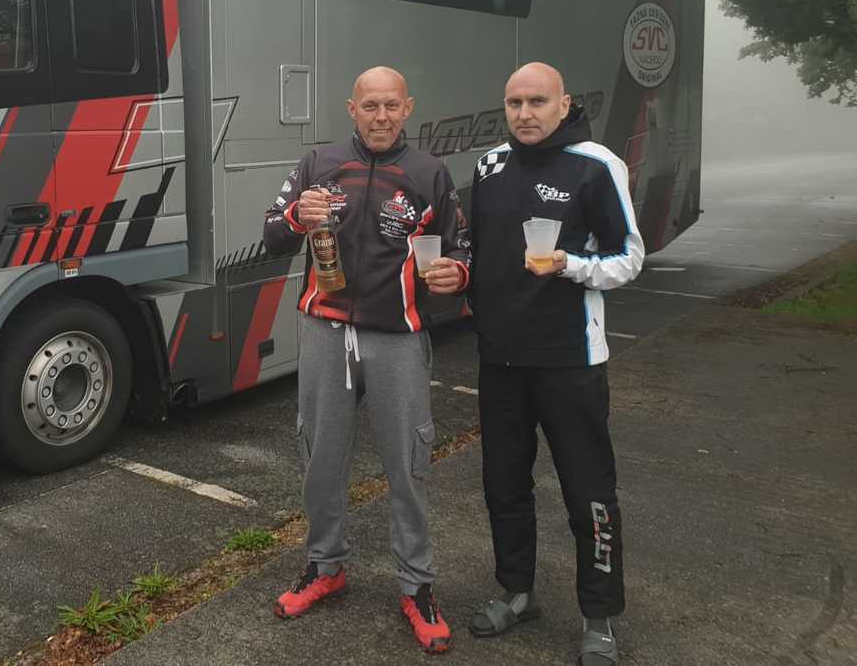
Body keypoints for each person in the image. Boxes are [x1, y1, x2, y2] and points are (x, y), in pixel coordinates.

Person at [262, 66, 470, 654]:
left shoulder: (429, 173)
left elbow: (460, 246)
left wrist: (458, 274)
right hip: (324, 330)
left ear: (408, 108)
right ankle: (325, 565)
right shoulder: (318, 164)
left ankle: (418, 585)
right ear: (352, 109)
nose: (381, 116)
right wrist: (296, 217)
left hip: (396, 335)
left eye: (391, 106)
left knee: (408, 462)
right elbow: (272, 234)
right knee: (321, 455)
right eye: (370, 106)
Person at [465, 62, 644, 666]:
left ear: (564, 104)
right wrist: (457, 276)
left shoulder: (595, 164)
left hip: (570, 360)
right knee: (504, 484)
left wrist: (570, 264)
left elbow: (628, 258)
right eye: (514, 102)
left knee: (588, 491)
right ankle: (517, 593)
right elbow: (479, 251)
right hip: (500, 359)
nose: (524, 113)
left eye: (537, 101)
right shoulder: (489, 165)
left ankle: (600, 618)